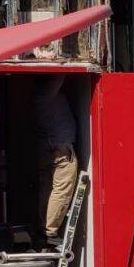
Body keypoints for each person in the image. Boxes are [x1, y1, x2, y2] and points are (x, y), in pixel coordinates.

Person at [32, 75, 79, 249]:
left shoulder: (38, 96)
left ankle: (43, 227)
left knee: (47, 189)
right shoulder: (47, 92)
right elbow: (60, 73)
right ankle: (50, 231)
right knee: (62, 188)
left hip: (46, 147)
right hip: (59, 147)